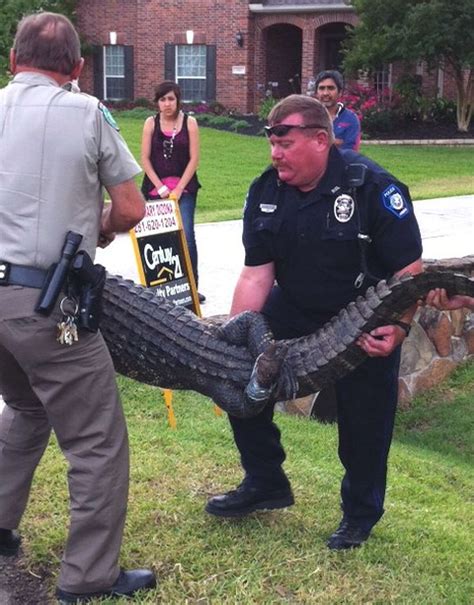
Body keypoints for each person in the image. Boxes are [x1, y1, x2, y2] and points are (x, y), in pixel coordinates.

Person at [205, 95, 423, 551]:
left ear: (321, 140)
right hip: (298, 305)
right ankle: (265, 481)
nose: (275, 153)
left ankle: (360, 515)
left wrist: (400, 326)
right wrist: (232, 338)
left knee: (364, 422)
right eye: (272, 143)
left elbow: (409, 272)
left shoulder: (374, 188)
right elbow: (255, 274)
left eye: (285, 143)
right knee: (239, 373)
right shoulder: (266, 192)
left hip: (367, 312)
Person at [0, 12, 156, 602]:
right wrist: (101, 226)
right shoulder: (87, 112)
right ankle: (89, 576)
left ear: (14, 60)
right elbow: (132, 207)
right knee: (96, 440)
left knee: (23, 405)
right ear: (78, 67)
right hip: (45, 302)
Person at [141, 80, 205, 303]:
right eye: (162, 99)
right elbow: (145, 159)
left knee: (187, 237)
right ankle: (163, 290)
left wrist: (178, 189)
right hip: (155, 190)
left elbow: (194, 159)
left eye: (171, 99)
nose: (167, 104)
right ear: (157, 102)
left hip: (184, 189)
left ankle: (192, 288)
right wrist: (159, 186)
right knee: (159, 241)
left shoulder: (190, 123)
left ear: (178, 100)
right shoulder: (151, 123)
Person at [314, 69, 361, 151]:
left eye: (331, 88)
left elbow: (350, 151)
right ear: (316, 93)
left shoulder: (351, 119)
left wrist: (319, 142)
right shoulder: (308, 117)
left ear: (340, 92)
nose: (325, 93)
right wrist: (336, 142)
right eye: (321, 88)